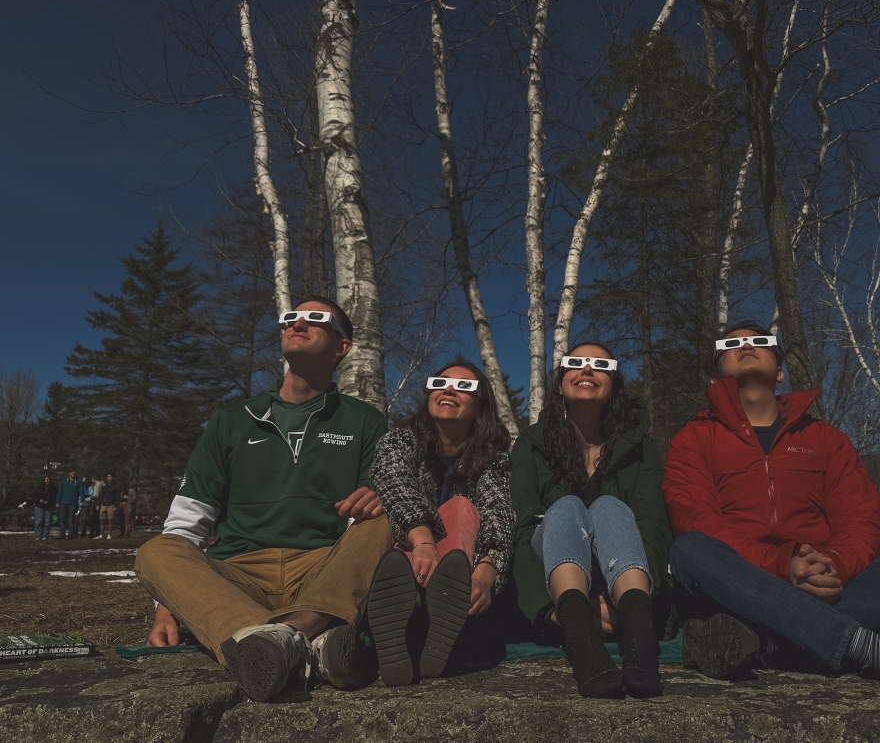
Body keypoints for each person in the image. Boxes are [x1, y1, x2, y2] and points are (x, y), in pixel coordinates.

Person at [663, 320, 880, 683]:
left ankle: (771, 644)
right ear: (715, 376)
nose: (747, 346)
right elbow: (698, 519)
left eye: (760, 341)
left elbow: (861, 515)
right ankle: (868, 646)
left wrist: (833, 568)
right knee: (690, 551)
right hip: (741, 588)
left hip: (827, 588)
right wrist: (781, 566)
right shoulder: (693, 439)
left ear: (779, 372)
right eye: (732, 344)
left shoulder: (825, 438)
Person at [134, 297, 392, 702]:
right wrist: (168, 605)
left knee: (383, 517)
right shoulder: (230, 420)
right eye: (291, 317)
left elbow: (362, 523)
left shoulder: (365, 421)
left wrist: (376, 501)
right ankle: (307, 644)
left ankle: (270, 640)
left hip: (322, 572)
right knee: (156, 551)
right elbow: (188, 519)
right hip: (239, 574)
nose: (298, 324)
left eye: (316, 319)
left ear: (342, 347)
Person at [511, 342, 673, 699]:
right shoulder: (530, 445)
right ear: (559, 383)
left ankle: (639, 637)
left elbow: (652, 524)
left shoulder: (641, 447)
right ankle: (581, 640)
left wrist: (637, 601)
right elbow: (522, 532)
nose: (586, 370)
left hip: (624, 580)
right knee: (567, 506)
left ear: (613, 381)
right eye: (575, 363)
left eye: (599, 364)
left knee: (610, 507)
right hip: (557, 577)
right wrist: (553, 613)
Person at [366, 361, 514, 684]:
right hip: (406, 559)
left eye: (464, 386)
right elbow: (394, 481)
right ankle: (405, 622)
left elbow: (498, 512)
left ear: (480, 406)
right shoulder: (400, 442)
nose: (448, 389)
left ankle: (436, 622)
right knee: (382, 518)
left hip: (461, 584)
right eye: (441, 382)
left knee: (461, 508)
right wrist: (422, 539)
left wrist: (488, 571)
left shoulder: (493, 459)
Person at [57, 471, 83, 539]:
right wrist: (58, 501)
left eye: (74, 472)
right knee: (63, 519)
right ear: (69, 473)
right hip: (64, 502)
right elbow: (60, 491)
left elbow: (81, 491)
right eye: (71, 472)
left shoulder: (78, 481)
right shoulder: (64, 481)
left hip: (73, 503)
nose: (73, 474)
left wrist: (81, 501)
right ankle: (62, 534)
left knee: (71, 520)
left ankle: (70, 535)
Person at [33, 476, 57, 541]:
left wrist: (52, 502)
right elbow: (34, 497)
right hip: (39, 506)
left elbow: (55, 497)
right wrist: (39, 500)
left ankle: (45, 536)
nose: (47, 481)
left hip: (49, 506)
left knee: (47, 522)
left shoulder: (53, 488)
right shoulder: (38, 488)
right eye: (46, 479)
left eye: (48, 479)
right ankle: (38, 535)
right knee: (39, 521)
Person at [98, 474, 122, 540]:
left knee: (110, 520)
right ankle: (101, 534)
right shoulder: (104, 487)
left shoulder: (116, 487)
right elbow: (101, 496)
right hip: (103, 504)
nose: (108, 478)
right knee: (102, 520)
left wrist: (116, 506)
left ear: (113, 478)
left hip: (111, 505)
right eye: (107, 477)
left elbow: (117, 497)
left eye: (110, 477)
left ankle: (109, 534)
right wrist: (98, 504)